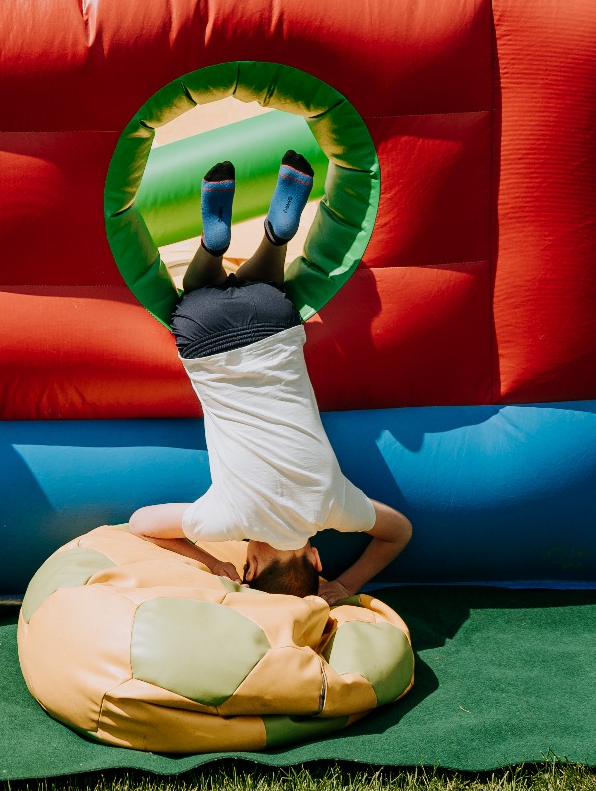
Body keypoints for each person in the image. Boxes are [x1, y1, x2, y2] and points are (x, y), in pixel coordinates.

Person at [128, 151, 414, 601]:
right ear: (252, 564)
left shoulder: (336, 505)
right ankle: (212, 248)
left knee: (265, 289)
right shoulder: (228, 519)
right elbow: (141, 523)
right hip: (206, 339)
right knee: (199, 293)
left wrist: (343, 585)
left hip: (274, 327)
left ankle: (275, 239)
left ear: (316, 559)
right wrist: (215, 562)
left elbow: (399, 532)